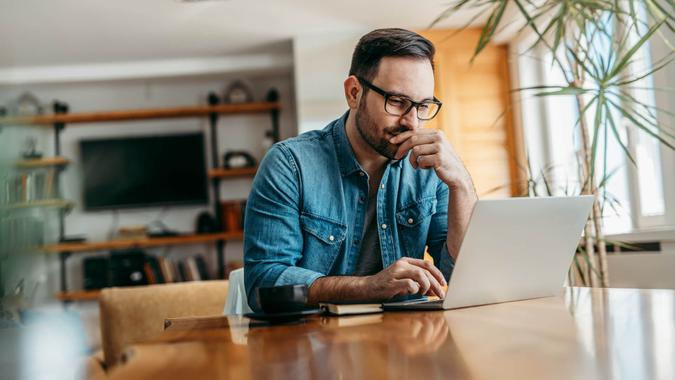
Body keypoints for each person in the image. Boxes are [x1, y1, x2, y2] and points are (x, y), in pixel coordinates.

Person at [244, 28, 477, 311]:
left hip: (407, 343)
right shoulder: (290, 164)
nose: (413, 123)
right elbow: (264, 283)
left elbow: (464, 275)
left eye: (423, 105)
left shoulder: (431, 169)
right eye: (398, 102)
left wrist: (461, 185)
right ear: (354, 93)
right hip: (315, 343)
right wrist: (371, 287)